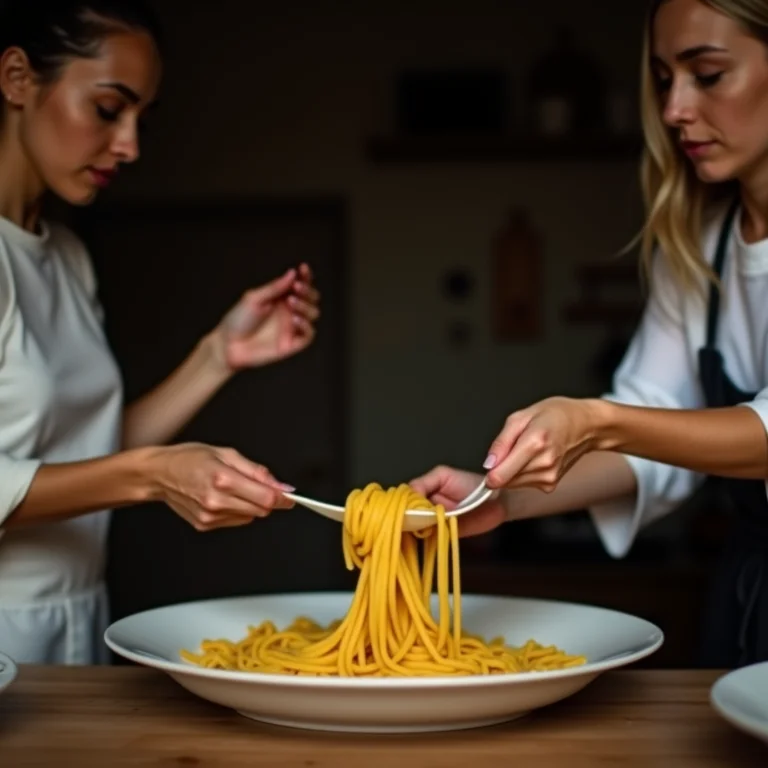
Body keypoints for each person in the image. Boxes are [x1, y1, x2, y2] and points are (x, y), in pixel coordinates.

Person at [413, 0, 768, 669]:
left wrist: (597, 419)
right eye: (664, 79)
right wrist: (500, 501)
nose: (673, 110)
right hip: (749, 592)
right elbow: (658, 433)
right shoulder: (698, 246)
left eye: (709, 75)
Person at [0, 0, 321, 665]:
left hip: (80, 615)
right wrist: (152, 476)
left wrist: (217, 356)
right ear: (17, 79)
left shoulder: (66, 256)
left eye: (142, 118)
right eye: (109, 109)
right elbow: (118, 470)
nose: (130, 146)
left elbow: (86, 452)